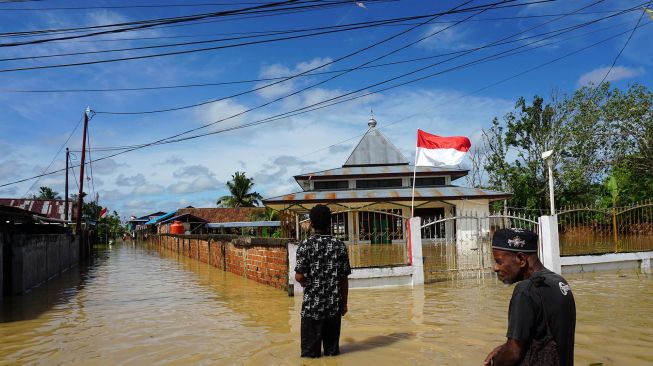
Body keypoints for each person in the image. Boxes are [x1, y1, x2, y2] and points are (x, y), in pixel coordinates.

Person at [484, 228, 576, 366]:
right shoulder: (559, 282)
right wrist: (504, 348)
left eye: (499, 261)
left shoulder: (526, 291)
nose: (495, 268)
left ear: (521, 259)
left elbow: (514, 354)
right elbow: (542, 337)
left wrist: (496, 361)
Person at [295, 204, 351, 358]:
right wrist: (344, 304)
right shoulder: (339, 246)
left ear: (311, 223)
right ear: (330, 223)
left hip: (311, 308)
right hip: (333, 307)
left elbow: (299, 276)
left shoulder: (305, 245)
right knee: (332, 355)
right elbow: (343, 279)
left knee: (309, 356)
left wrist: (307, 283)